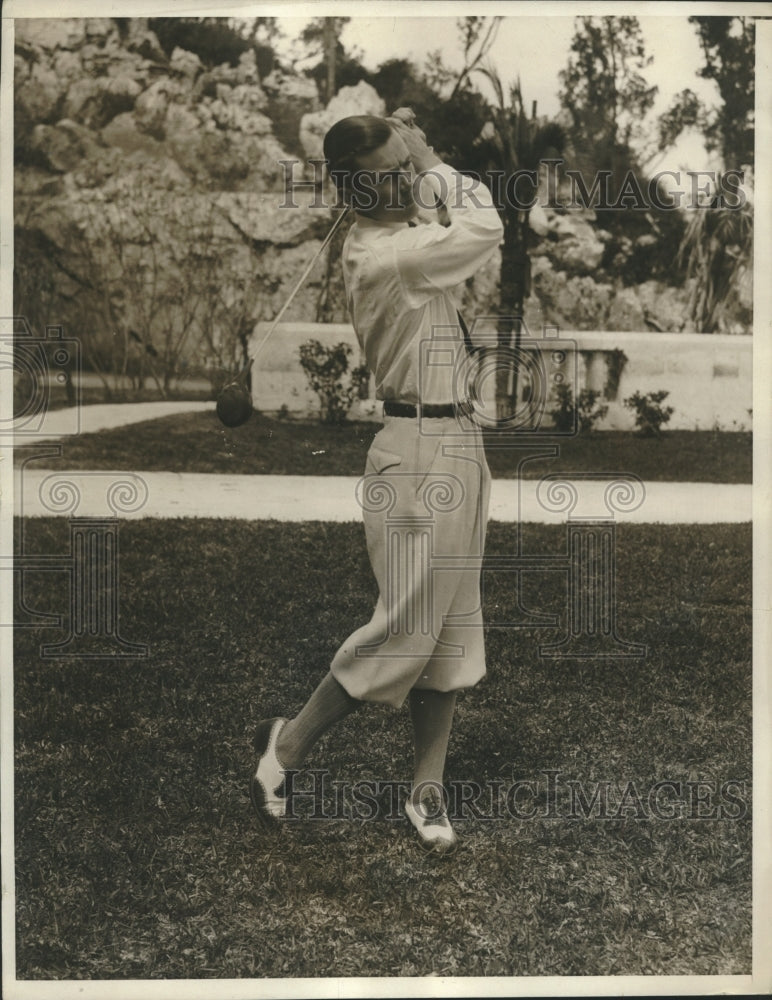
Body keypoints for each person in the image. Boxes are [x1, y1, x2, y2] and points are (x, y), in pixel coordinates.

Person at [251, 108, 504, 855]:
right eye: (390, 172)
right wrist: (429, 156)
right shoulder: (390, 256)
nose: (408, 178)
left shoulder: (401, 235)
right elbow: (484, 225)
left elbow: (434, 209)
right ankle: (286, 748)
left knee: (451, 627)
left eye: (404, 164)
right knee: (403, 627)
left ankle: (426, 792)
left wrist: (410, 148)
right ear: (360, 192)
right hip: (416, 449)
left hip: (457, 439)